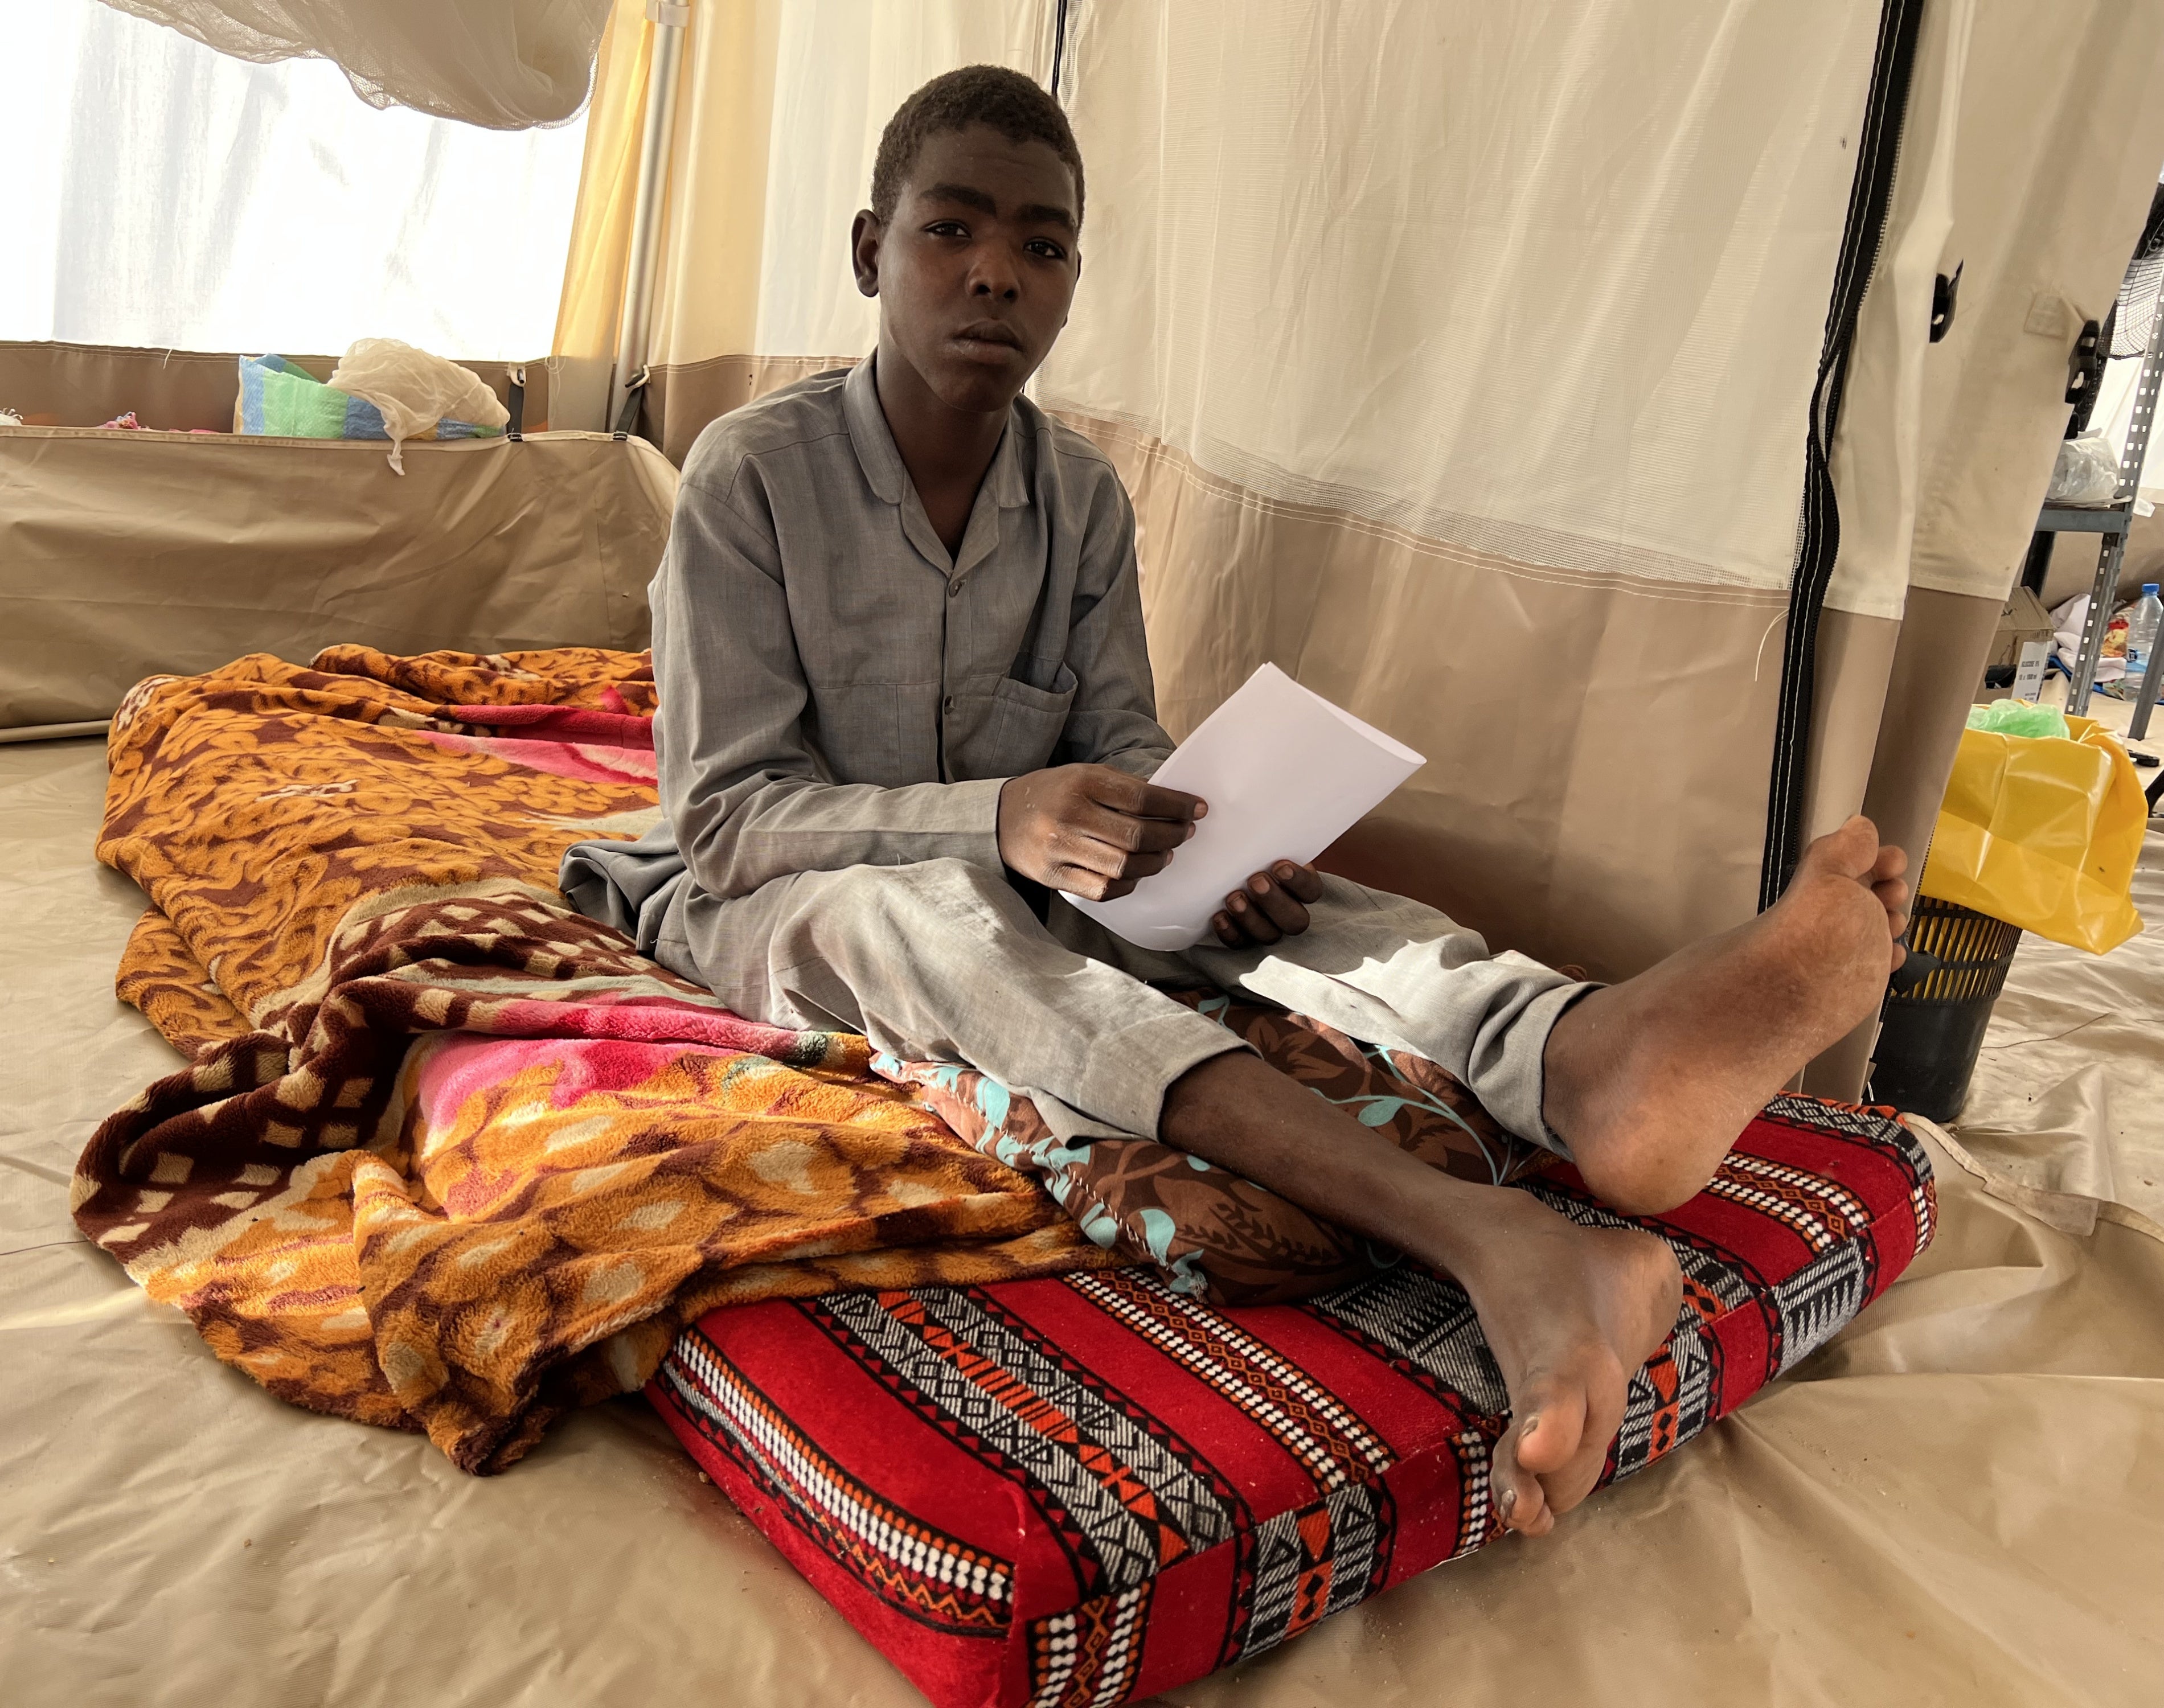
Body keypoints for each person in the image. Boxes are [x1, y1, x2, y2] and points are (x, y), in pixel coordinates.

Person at [612, 66, 1912, 1539]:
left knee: (1302, 897)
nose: (996, 271)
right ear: (869, 252)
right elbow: (724, 817)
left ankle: (1580, 1059)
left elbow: (1119, 744)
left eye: (1043, 246)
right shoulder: (748, 478)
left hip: (1035, 858)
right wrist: (999, 820)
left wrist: (1198, 840)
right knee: (930, 921)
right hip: (776, 898)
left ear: (1073, 282)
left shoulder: (1084, 500)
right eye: (949, 230)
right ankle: (1493, 1238)